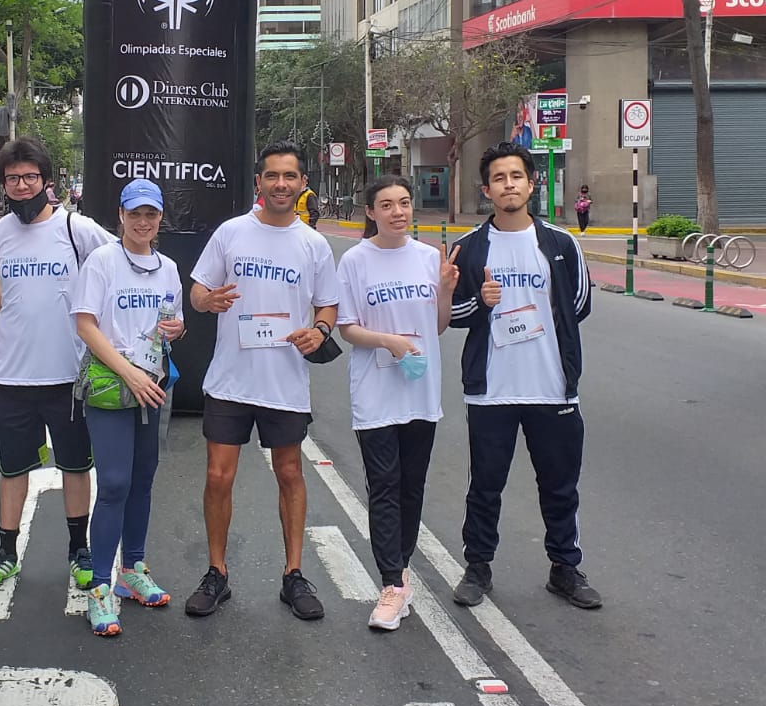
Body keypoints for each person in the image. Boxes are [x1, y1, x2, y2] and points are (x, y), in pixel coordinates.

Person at [185, 140, 339, 622]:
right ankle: (217, 573)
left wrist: (320, 331)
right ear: (258, 182)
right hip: (230, 380)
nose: (280, 184)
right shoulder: (231, 233)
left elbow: (328, 305)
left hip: (284, 382)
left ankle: (293, 574)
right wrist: (206, 303)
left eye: (289, 177)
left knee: (290, 473)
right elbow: (197, 291)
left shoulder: (313, 244)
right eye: (271, 176)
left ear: (301, 184)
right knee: (217, 477)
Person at [448, 141, 600, 610]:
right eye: (499, 178)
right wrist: (482, 303)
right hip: (491, 392)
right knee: (485, 485)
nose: (508, 185)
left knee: (559, 485)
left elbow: (580, 304)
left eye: (516, 176)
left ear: (531, 184)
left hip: (552, 387)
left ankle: (565, 568)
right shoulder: (469, 248)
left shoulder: (560, 244)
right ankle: (478, 567)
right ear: (487, 189)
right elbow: (452, 312)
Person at [0, 137, 114, 592]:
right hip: (12, 377)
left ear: (46, 182)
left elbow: (116, 264)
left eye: (30, 177)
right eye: (13, 179)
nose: (21, 186)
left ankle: (79, 549)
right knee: (13, 469)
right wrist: (6, 306)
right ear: (4, 185)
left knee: (75, 465)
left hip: (68, 376)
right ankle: (6, 550)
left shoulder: (77, 230)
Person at [336, 176, 459, 630]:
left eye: (404, 203)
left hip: (420, 391)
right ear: (370, 212)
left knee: (412, 487)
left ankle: (400, 573)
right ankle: (391, 582)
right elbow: (347, 327)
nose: (397, 212)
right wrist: (388, 341)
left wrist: (445, 290)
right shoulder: (354, 261)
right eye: (386, 205)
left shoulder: (430, 259)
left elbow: (439, 326)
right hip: (375, 392)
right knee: (384, 485)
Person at [72, 178, 185, 638]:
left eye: (151, 215)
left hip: (153, 385)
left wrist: (177, 331)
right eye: (135, 214)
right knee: (115, 482)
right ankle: (99, 587)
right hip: (111, 386)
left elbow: (172, 323)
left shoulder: (169, 267)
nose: (143, 222)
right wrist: (127, 372)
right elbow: (85, 324)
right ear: (120, 215)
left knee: (144, 478)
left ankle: (132, 569)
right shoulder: (102, 261)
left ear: (160, 220)